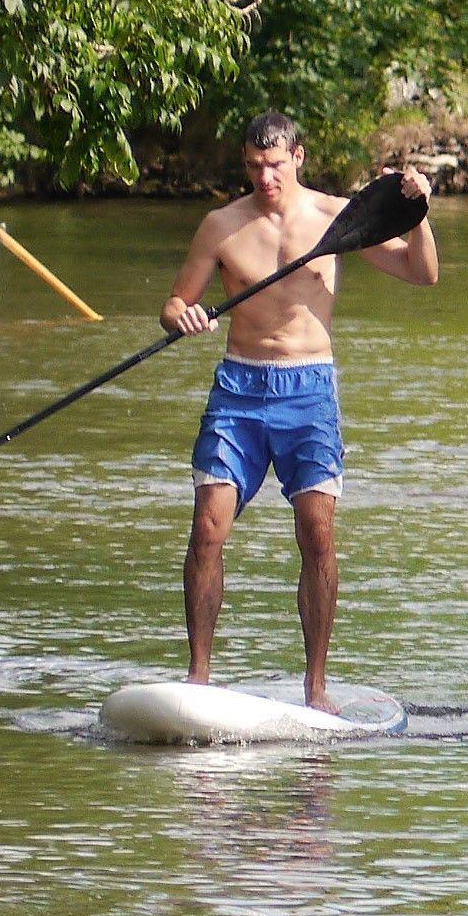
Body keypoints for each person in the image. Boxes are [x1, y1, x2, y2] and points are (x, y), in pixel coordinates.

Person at [160, 112, 438, 708]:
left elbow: (422, 273)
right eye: (254, 166)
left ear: (298, 158)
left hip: (309, 390)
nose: (266, 177)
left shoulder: (337, 219)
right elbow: (176, 301)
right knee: (208, 529)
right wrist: (182, 315)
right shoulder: (221, 225)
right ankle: (198, 677)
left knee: (317, 535)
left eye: (276, 165)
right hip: (238, 390)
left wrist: (419, 215)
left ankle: (315, 686)